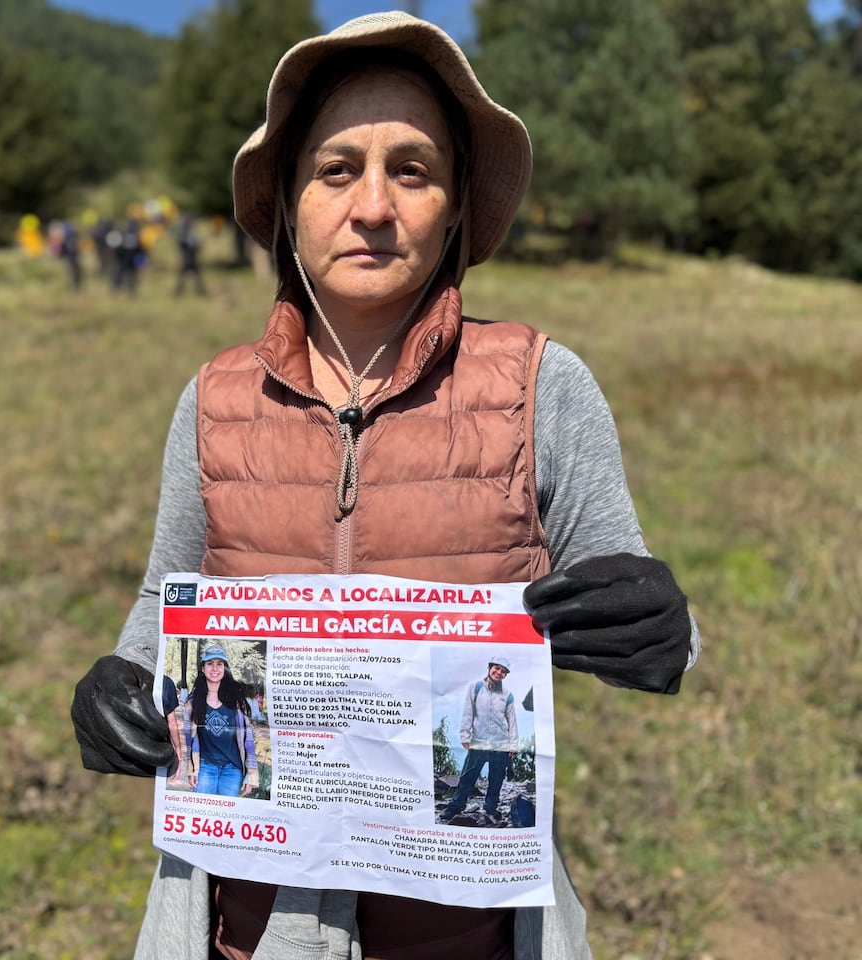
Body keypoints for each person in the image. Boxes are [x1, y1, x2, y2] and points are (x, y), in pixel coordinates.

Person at [70, 12, 699, 960]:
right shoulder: (213, 398)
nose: (373, 205)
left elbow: (646, 610)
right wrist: (117, 682)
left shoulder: (541, 384)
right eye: (336, 170)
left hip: (473, 933)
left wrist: (659, 632)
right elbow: (169, 596)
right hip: (250, 933)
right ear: (286, 203)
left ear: (455, 204)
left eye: (412, 169)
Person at [440, 657, 518, 826]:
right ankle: (455, 807)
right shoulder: (475, 688)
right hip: (478, 742)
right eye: (496, 668)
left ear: (505, 675)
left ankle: (491, 809)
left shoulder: (507, 695)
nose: (499, 673)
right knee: (468, 777)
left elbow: (512, 721)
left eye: (503, 671)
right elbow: (468, 713)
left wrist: (513, 745)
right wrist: (465, 736)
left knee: (496, 779)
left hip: (500, 744)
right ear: (490, 668)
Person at [181, 645, 258, 797]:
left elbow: (248, 738)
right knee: (202, 811)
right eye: (210, 664)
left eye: (219, 664)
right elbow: (189, 739)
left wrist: (252, 774)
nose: (215, 668)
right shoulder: (192, 702)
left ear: (224, 668)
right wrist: (192, 769)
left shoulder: (237, 701)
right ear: (203, 668)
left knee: (227, 814)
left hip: (232, 768)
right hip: (205, 767)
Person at [174, 213, 207, 297]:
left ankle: (200, 291)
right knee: (185, 275)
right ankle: (179, 291)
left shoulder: (191, 232)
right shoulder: (184, 232)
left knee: (195, 276)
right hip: (187, 258)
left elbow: (197, 243)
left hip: (192, 257)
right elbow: (182, 243)